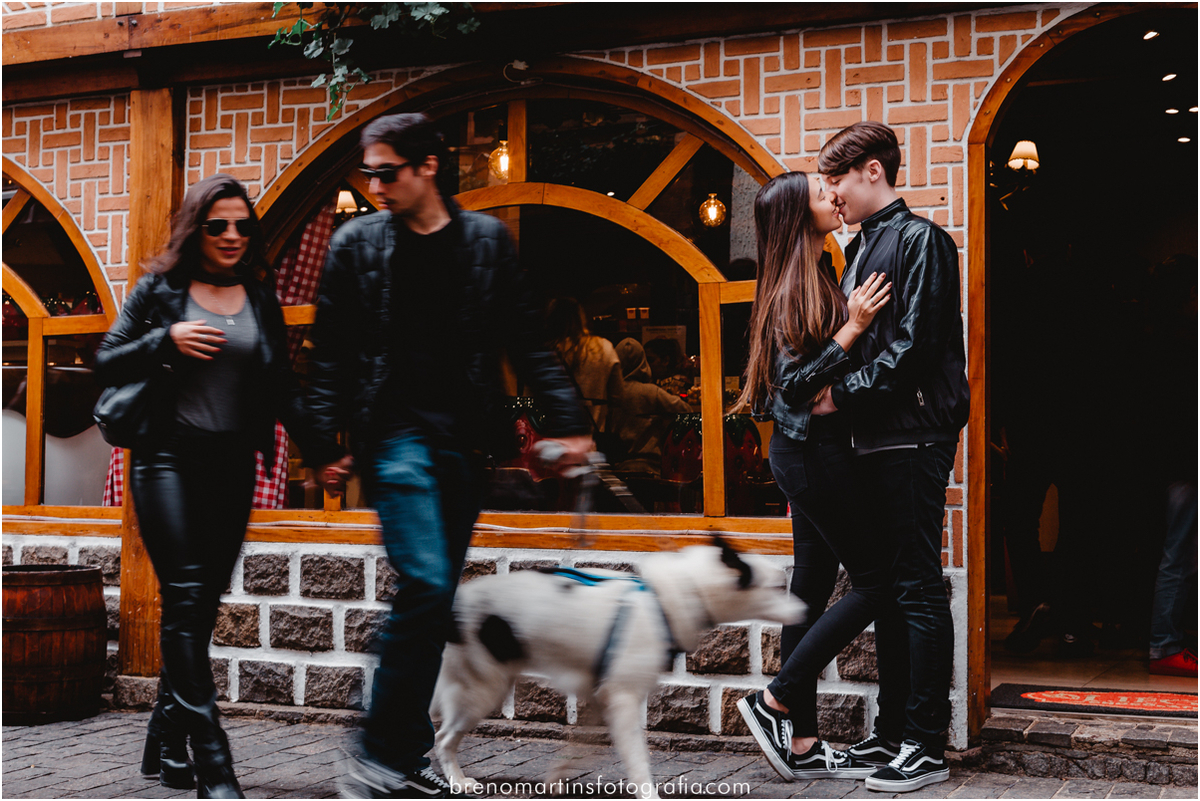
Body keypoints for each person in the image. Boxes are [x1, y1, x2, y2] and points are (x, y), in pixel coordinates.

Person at [303, 112, 593, 799]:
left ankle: (401, 755)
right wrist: (322, 443)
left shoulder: (485, 243)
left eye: (387, 171)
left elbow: (528, 341)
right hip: (393, 441)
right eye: (367, 172)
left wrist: (572, 422)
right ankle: (374, 751)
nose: (374, 184)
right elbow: (330, 355)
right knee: (430, 584)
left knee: (430, 604)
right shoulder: (356, 245)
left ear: (428, 165)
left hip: (460, 445)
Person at [93, 174, 344, 799]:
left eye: (242, 225)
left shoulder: (259, 297)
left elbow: (281, 384)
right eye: (218, 225)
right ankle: (214, 763)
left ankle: (165, 737)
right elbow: (107, 358)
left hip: (233, 466)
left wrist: (320, 452)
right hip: (167, 462)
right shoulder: (160, 291)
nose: (232, 236)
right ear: (195, 228)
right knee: (183, 600)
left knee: (197, 612)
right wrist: (166, 339)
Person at [811, 121, 970, 793]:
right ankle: (895, 730)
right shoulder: (858, 248)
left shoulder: (923, 239)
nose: (832, 193)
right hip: (873, 439)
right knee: (892, 591)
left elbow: (912, 350)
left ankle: (926, 746)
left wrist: (837, 396)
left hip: (914, 433)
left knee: (916, 587)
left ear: (873, 170)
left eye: (838, 179)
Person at [733, 171, 896, 782]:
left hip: (809, 454)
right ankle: (776, 698)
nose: (834, 196)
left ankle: (800, 742)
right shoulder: (794, 288)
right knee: (878, 582)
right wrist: (852, 327)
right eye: (820, 194)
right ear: (799, 218)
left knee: (808, 592)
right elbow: (794, 389)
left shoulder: (811, 274)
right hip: (811, 455)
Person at [544, 296, 625, 443]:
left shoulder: (544, 353)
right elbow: (618, 397)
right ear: (581, 317)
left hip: (550, 442)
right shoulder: (604, 348)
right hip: (591, 442)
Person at [610, 337, 690, 474]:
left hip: (618, 468)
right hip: (650, 468)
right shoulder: (651, 392)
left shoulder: (610, 393)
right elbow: (685, 410)